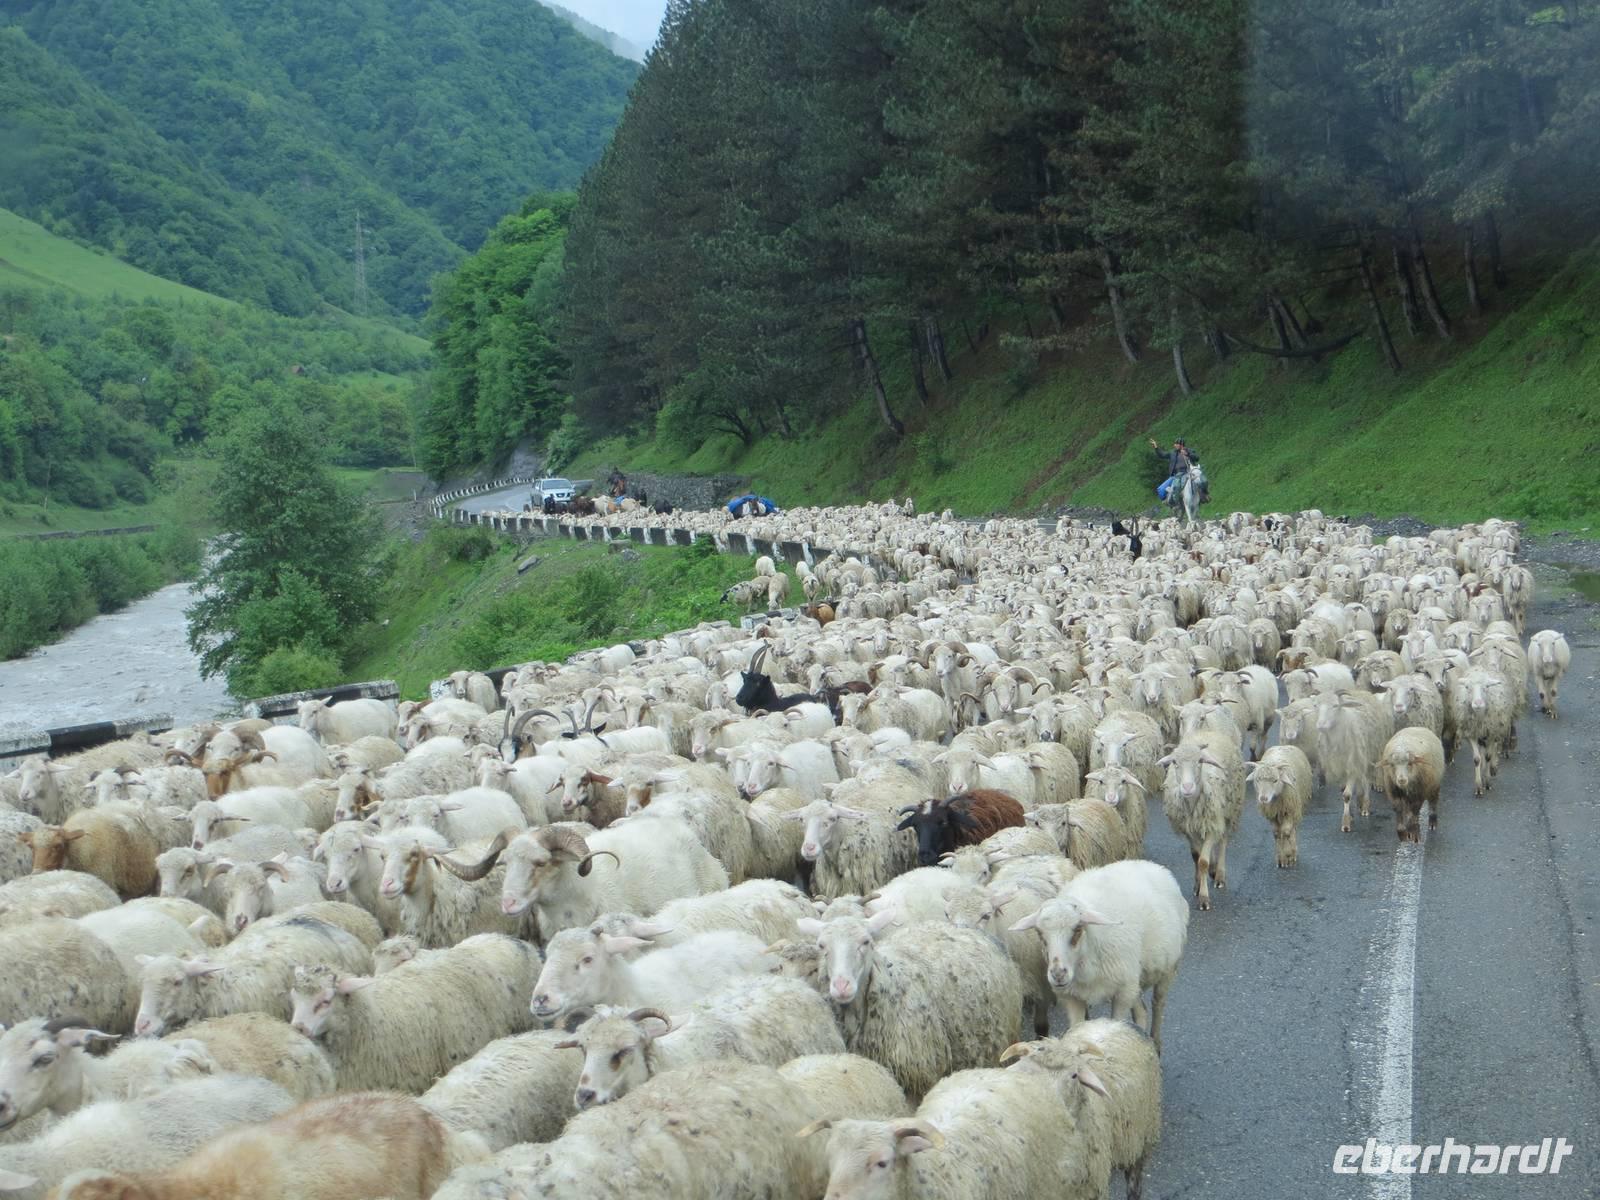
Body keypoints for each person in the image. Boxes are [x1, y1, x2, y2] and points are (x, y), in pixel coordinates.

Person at [1149, 437, 1208, 507]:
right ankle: (1174, 503)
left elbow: (1197, 458)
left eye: (1176, 444)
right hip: (1177, 475)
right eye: (1175, 444)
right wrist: (1156, 447)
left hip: (1189, 472)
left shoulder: (1189, 451)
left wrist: (1188, 454)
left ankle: (1204, 495)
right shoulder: (1172, 453)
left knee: (1203, 480)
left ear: (1181, 445)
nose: (1174, 445)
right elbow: (1162, 455)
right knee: (1168, 488)